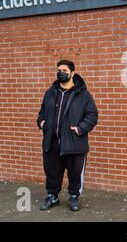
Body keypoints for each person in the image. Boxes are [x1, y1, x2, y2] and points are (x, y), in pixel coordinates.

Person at [37, 60, 98, 211]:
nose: (60, 72)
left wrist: (80, 129)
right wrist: (42, 123)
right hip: (51, 142)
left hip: (74, 142)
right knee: (52, 173)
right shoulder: (50, 92)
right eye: (58, 70)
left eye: (64, 70)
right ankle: (53, 196)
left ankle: (74, 197)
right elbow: (41, 113)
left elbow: (92, 115)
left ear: (72, 73)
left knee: (75, 174)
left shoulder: (83, 94)